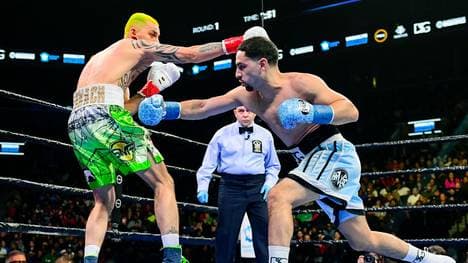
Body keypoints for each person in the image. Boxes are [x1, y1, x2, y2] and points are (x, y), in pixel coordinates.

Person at [137, 36, 456, 263]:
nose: (237, 74)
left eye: (242, 67)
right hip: (312, 161)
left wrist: (315, 113)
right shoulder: (248, 96)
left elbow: (351, 110)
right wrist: (168, 109)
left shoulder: (302, 83)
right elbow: (205, 106)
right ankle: (428, 259)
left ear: (262, 64)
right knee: (362, 240)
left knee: (278, 196)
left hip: (333, 152)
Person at [67, 12, 269, 263]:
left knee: (103, 201)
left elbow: (125, 107)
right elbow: (191, 54)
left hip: (78, 124)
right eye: (153, 34)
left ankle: (89, 259)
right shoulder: (134, 44)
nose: (156, 40)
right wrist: (241, 42)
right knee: (164, 182)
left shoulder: (102, 62)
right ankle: (173, 255)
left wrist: (151, 88)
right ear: (134, 33)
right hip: (105, 115)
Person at [196, 106, 280, 262]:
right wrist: (202, 187)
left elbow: (273, 165)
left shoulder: (265, 135)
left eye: (249, 110)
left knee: (264, 233)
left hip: (258, 187)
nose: (246, 114)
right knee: (226, 235)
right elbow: (208, 164)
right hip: (231, 187)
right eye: (241, 110)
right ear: (235, 112)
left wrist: (269, 182)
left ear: (255, 111)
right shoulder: (221, 134)